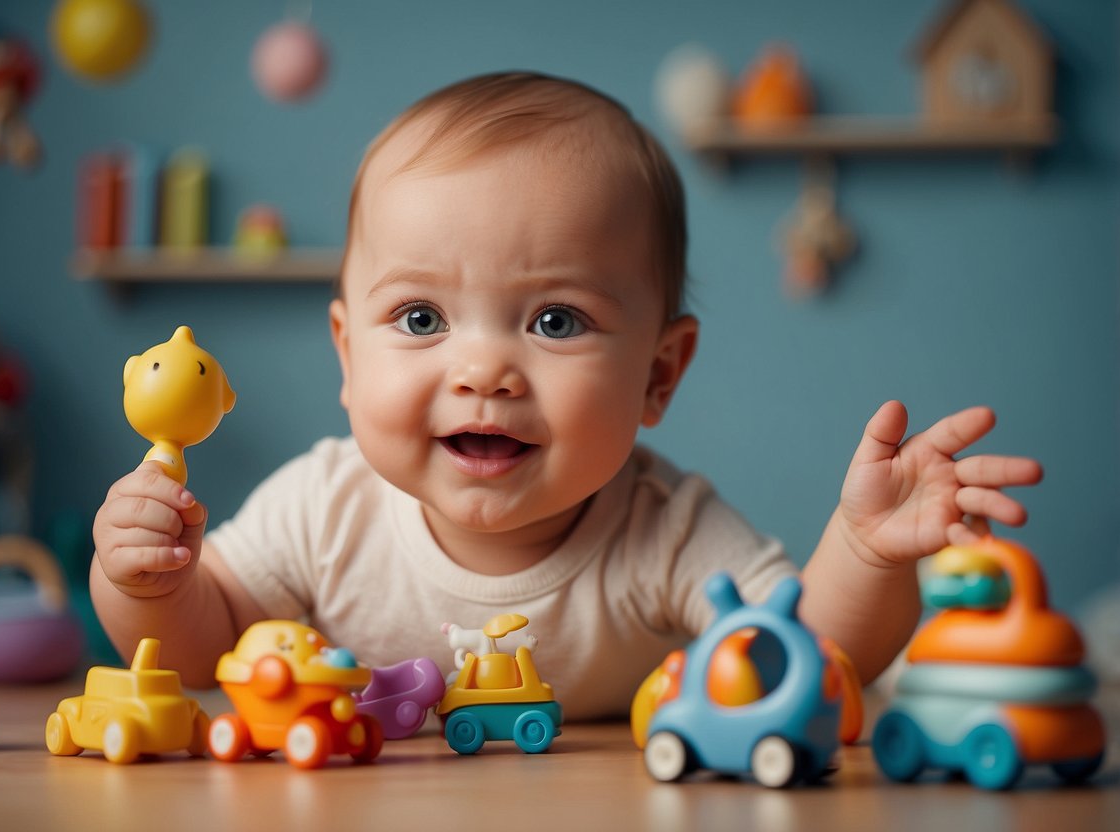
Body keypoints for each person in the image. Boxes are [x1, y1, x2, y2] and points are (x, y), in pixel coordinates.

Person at [91, 72, 1042, 720]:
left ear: (657, 375)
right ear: (348, 355)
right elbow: (194, 647)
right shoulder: (321, 509)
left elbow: (805, 660)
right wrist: (147, 580)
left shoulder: (665, 530)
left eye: (554, 321)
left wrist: (867, 553)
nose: (483, 372)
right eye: (421, 319)